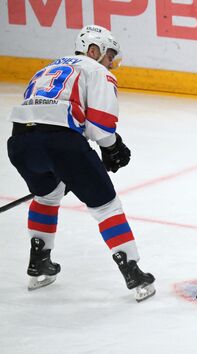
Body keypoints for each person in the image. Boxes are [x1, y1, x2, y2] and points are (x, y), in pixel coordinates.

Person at [6, 25, 155, 302]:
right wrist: (113, 148)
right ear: (93, 50)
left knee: (47, 196)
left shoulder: (47, 68)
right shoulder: (97, 70)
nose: (111, 62)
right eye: (109, 55)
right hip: (60, 144)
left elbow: (44, 113)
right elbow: (100, 127)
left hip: (20, 144)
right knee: (106, 206)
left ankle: (39, 261)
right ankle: (132, 271)